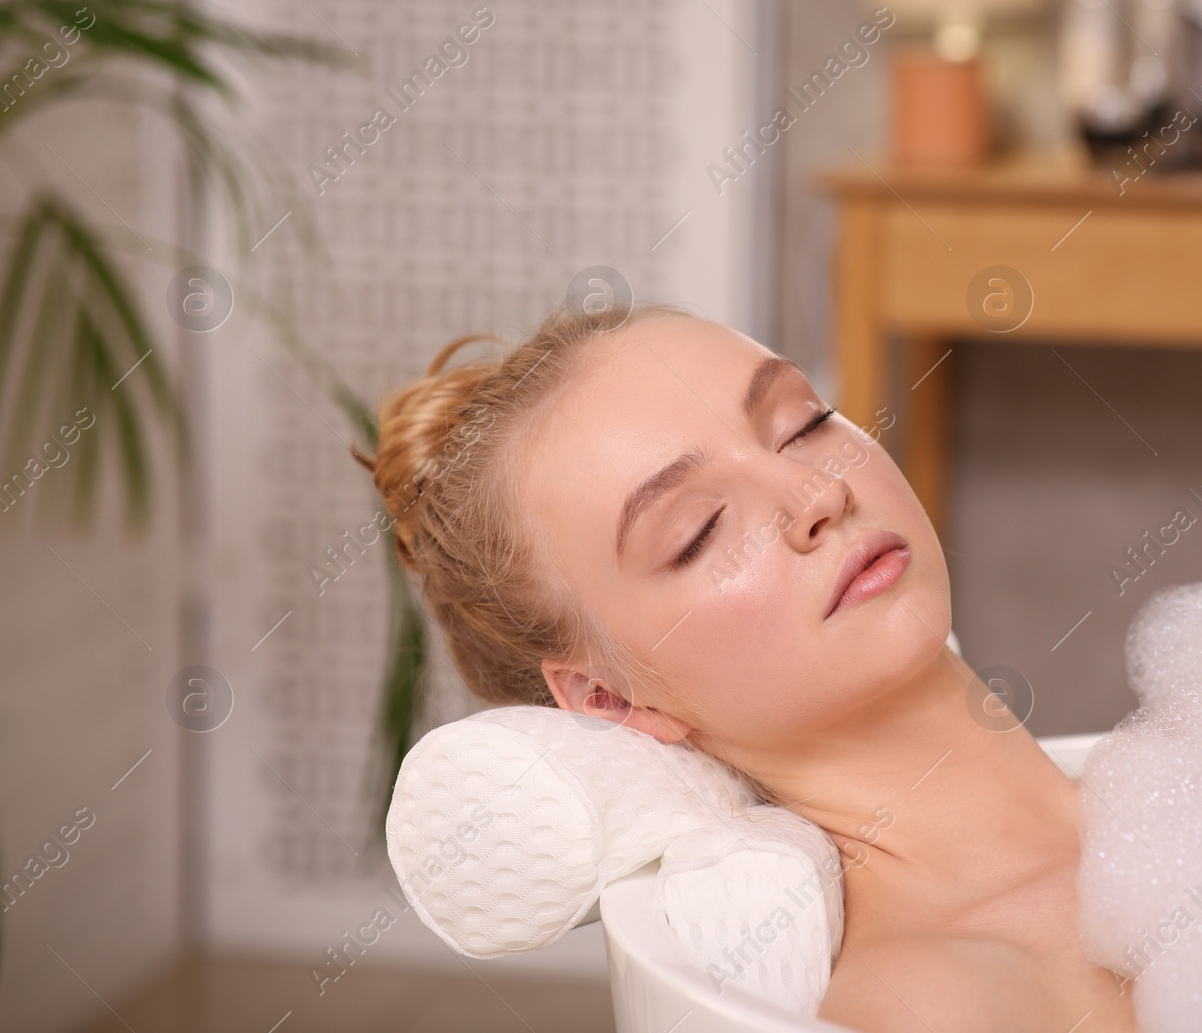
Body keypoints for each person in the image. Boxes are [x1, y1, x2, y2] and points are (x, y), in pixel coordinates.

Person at [357, 302, 1138, 1032]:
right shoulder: (928, 1002)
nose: (817, 491)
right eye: (698, 530)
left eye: (804, 424)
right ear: (609, 695)